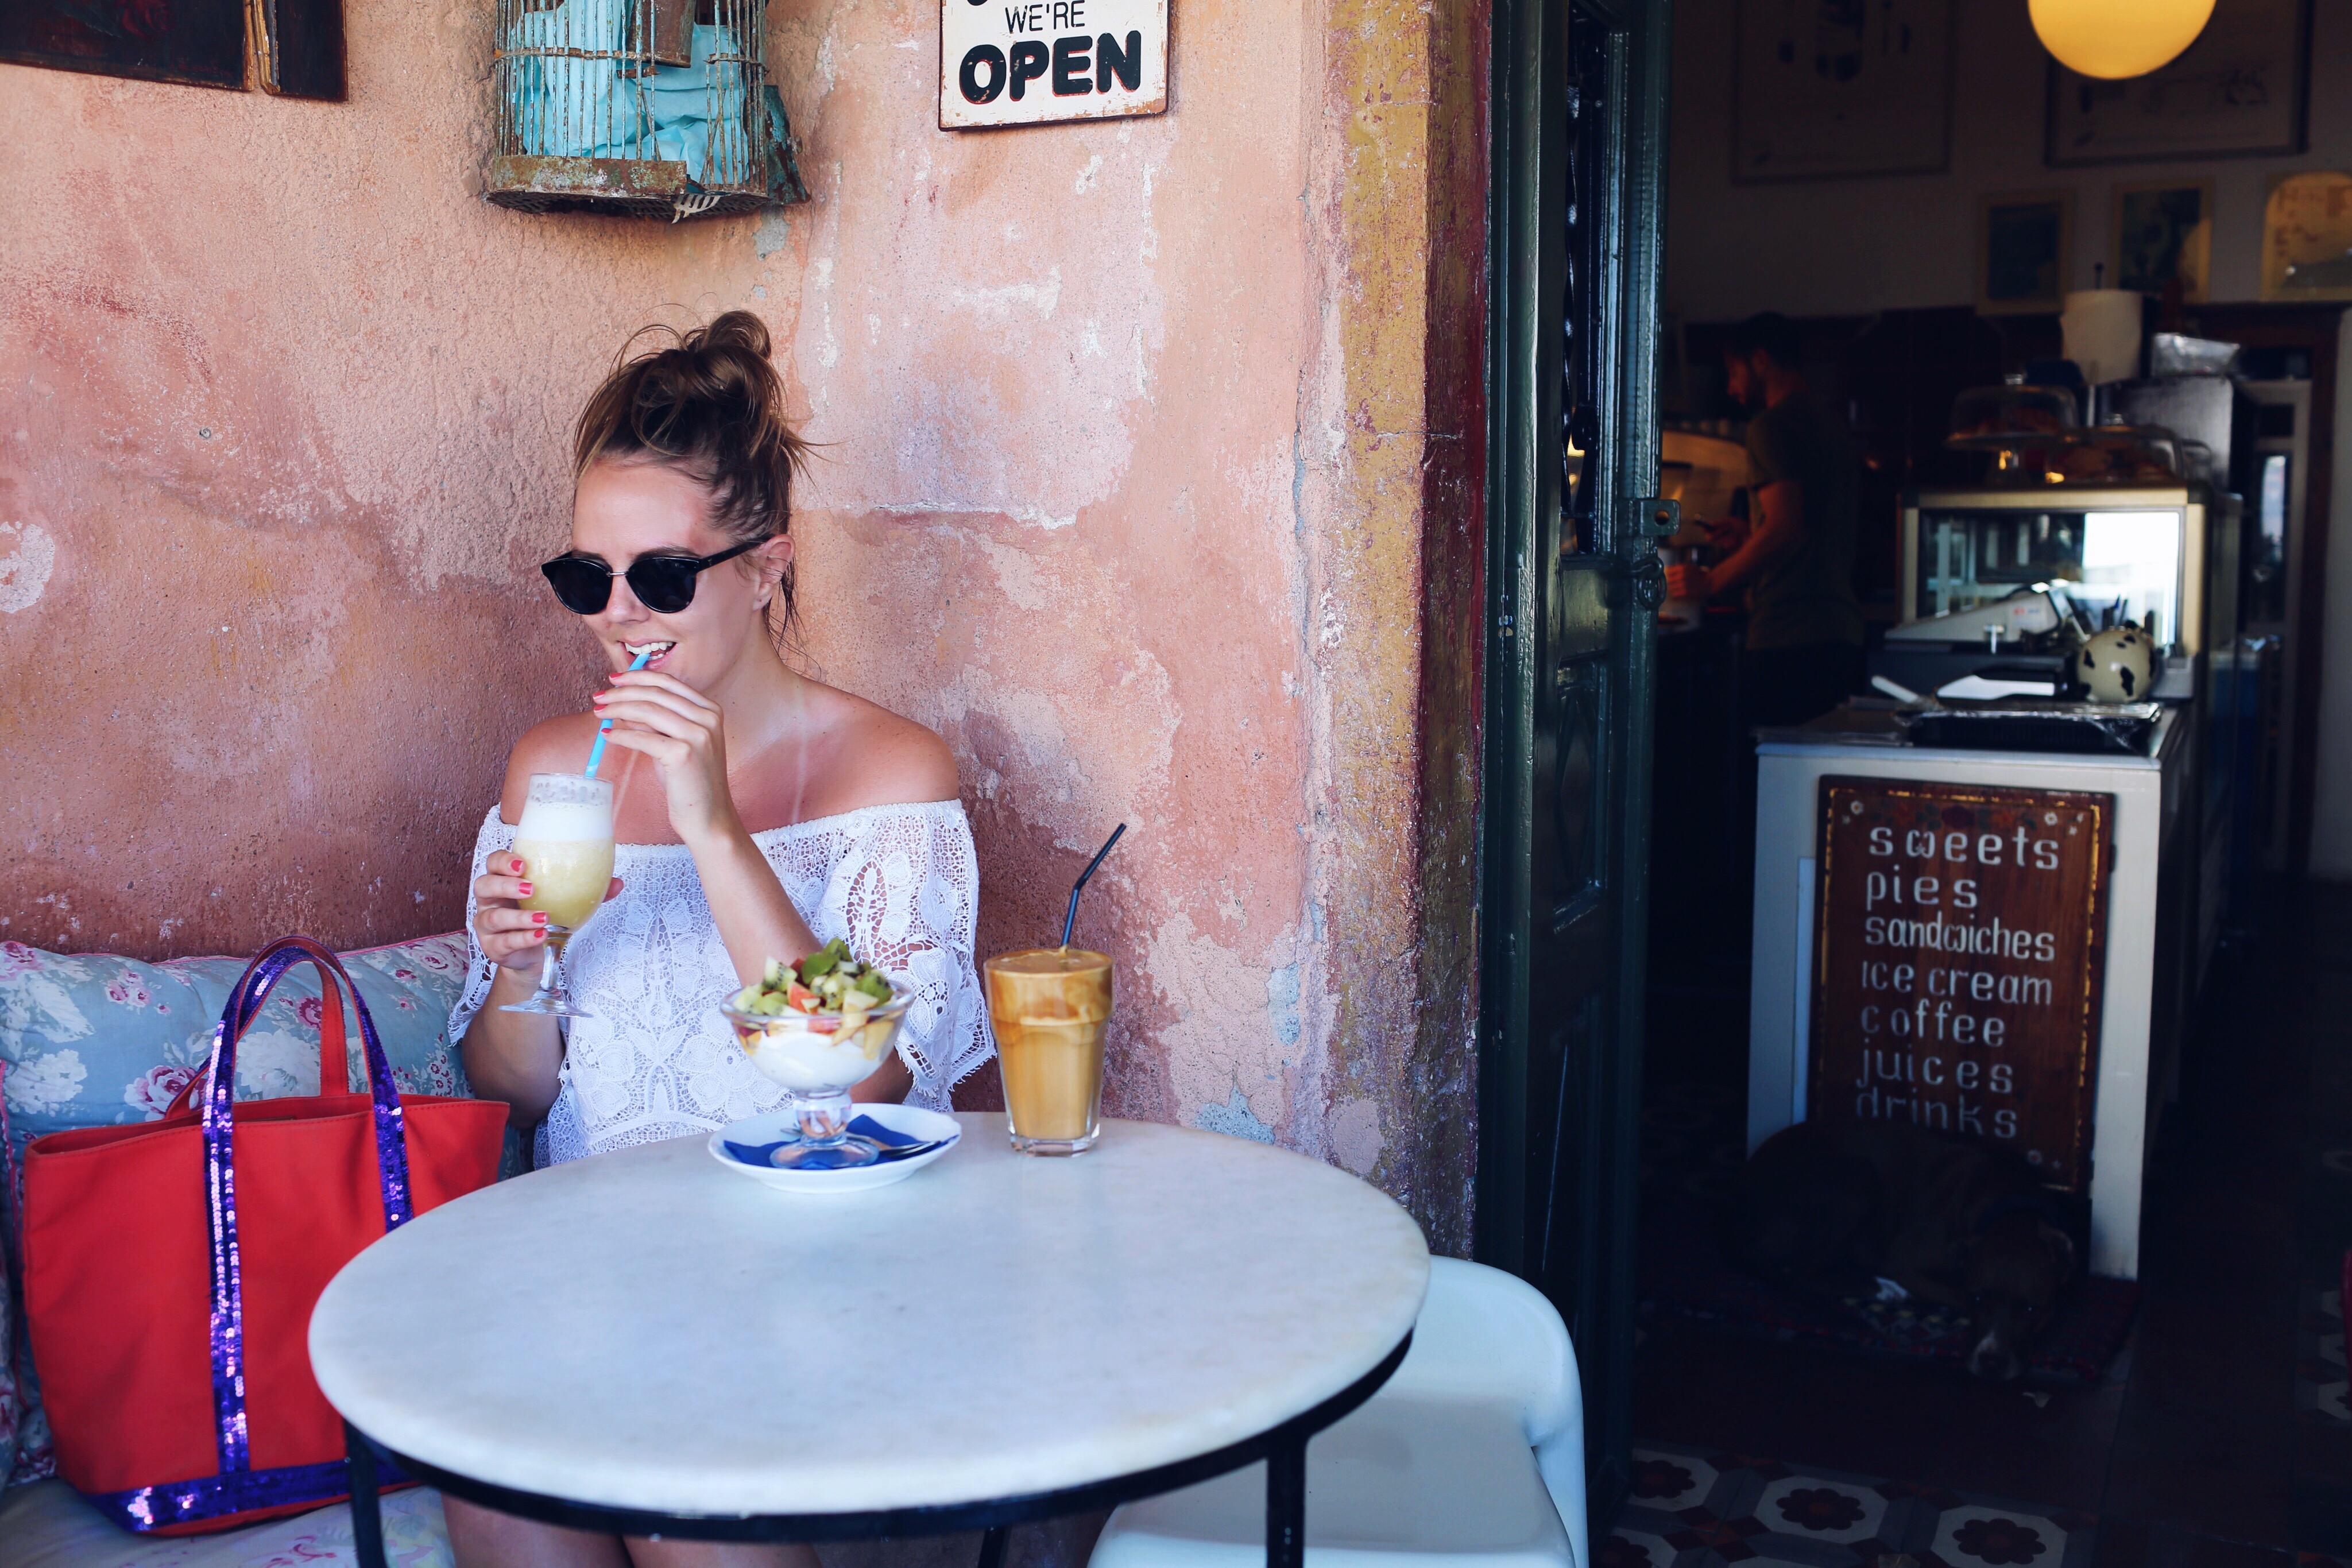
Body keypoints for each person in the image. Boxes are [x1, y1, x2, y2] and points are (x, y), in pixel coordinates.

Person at [446, 312, 991, 1568]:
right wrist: (524, 970)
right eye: (589, 577)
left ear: (766, 566)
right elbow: (510, 1097)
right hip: (594, 1281)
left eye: (664, 575)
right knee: (498, 1485)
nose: (619, 613)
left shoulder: (887, 770)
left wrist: (711, 827)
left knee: (683, 1511)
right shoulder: (550, 773)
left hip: (817, 1280)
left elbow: (871, 1081)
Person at [1665, 312, 1864, 728]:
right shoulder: (1831, 425)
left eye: (1734, 374)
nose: (1732, 389)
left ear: (1760, 361)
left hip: (1789, 636)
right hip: (1841, 635)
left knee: (1778, 774)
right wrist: (1751, 536)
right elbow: (1809, 526)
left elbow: (1787, 527)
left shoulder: (1771, 427)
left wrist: (1711, 581)